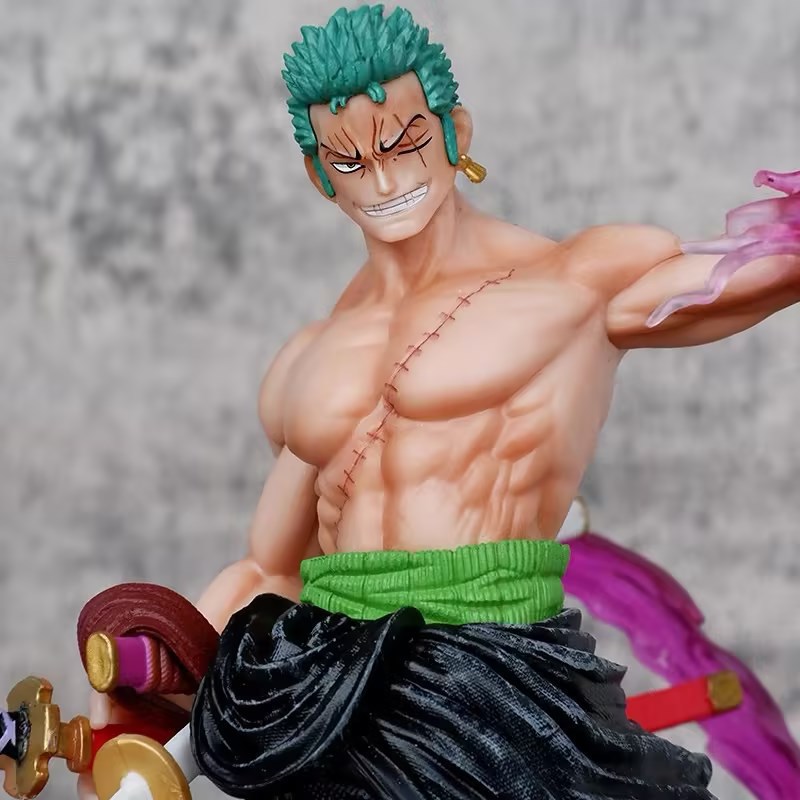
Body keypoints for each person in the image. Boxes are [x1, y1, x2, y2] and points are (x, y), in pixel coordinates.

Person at [79, 5, 800, 799]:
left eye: (404, 143)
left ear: (455, 130)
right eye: (351, 161)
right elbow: (269, 566)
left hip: (492, 685)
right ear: (320, 175)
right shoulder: (305, 362)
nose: (385, 181)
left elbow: (755, 276)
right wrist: (150, 696)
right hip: (323, 689)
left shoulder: (573, 283)